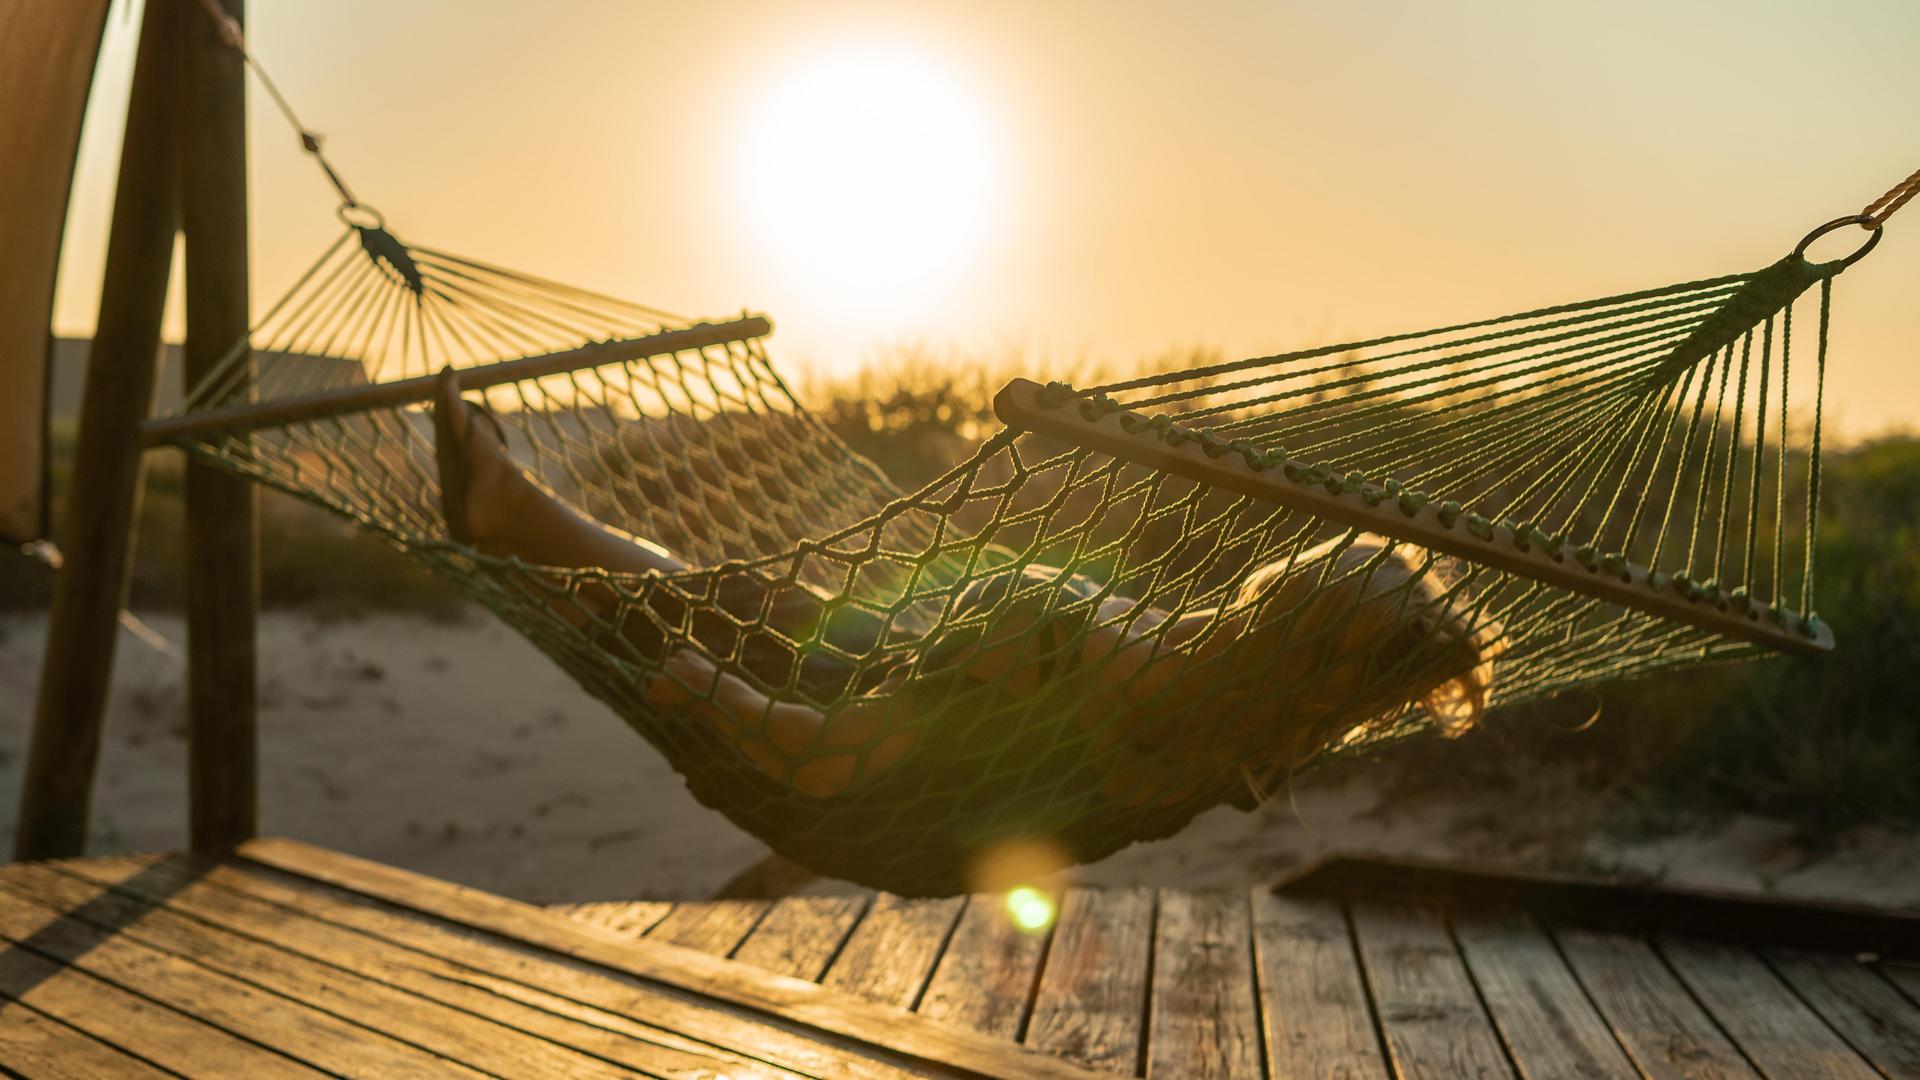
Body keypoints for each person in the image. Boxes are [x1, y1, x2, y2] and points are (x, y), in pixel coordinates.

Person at [434, 370, 1499, 891]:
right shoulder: (1249, 743)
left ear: (1280, 609)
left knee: (726, 609)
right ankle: (524, 519)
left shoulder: (1112, 666)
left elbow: (860, 758)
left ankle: (514, 514)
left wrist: (724, 701)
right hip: (902, 724)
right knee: (730, 600)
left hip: (845, 713)